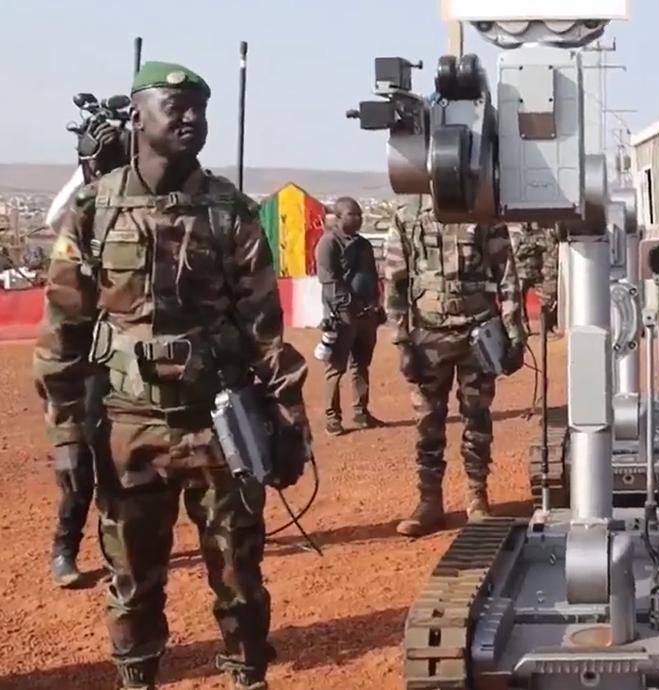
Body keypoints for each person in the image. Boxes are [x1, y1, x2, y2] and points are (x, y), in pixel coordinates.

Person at [32, 61, 312, 690]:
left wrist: (290, 418)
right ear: (137, 117)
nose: (192, 119)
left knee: (239, 573)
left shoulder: (230, 211)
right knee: (131, 578)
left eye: (200, 109)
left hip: (220, 426)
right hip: (128, 428)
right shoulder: (93, 210)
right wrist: (68, 436)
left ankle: (247, 675)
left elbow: (265, 330)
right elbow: (62, 333)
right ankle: (137, 678)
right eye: (176, 107)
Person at [384, 195, 525, 537]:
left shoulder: (483, 212)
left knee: (477, 418)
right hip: (428, 337)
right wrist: (401, 342)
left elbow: (507, 275)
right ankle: (429, 502)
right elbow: (395, 281)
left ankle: (477, 497)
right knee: (427, 422)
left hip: (478, 333)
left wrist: (515, 334)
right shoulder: (407, 215)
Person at [48, 111, 127, 588]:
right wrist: (86, 161)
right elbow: (55, 218)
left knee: (119, 460)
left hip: (122, 358)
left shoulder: (138, 203)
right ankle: (65, 546)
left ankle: (119, 550)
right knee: (77, 461)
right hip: (79, 357)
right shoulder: (84, 209)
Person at [315, 196, 385, 435]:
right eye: (352, 214)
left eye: (360, 215)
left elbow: (372, 276)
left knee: (361, 365)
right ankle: (332, 417)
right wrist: (350, 305)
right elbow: (329, 281)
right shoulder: (328, 243)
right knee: (336, 367)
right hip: (342, 315)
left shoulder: (364, 245)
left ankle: (361, 412)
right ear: (338, 217)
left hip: (367, 314)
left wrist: (376, 304)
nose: (358, 219)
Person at [514, 222, 560, 335]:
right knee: (520, 301)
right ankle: (524, 325)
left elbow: (547, 246)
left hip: (538, 273)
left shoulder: (541, 234)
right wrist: (531, 246)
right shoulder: (517, 235)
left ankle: (548, 326)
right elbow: (517, 253)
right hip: (522, 273)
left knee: (547, 299)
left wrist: (533, 247)